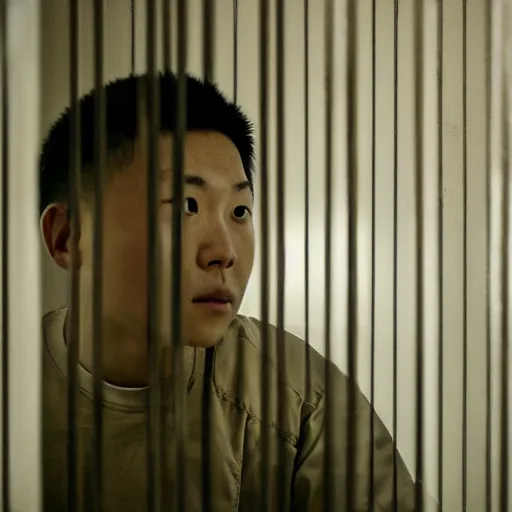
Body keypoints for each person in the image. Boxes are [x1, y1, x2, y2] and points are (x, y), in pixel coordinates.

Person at [39, 72, 415, 511]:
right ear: (68, 236)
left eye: (240, 211)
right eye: (185, 205)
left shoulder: (299, 400)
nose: (224, 252)